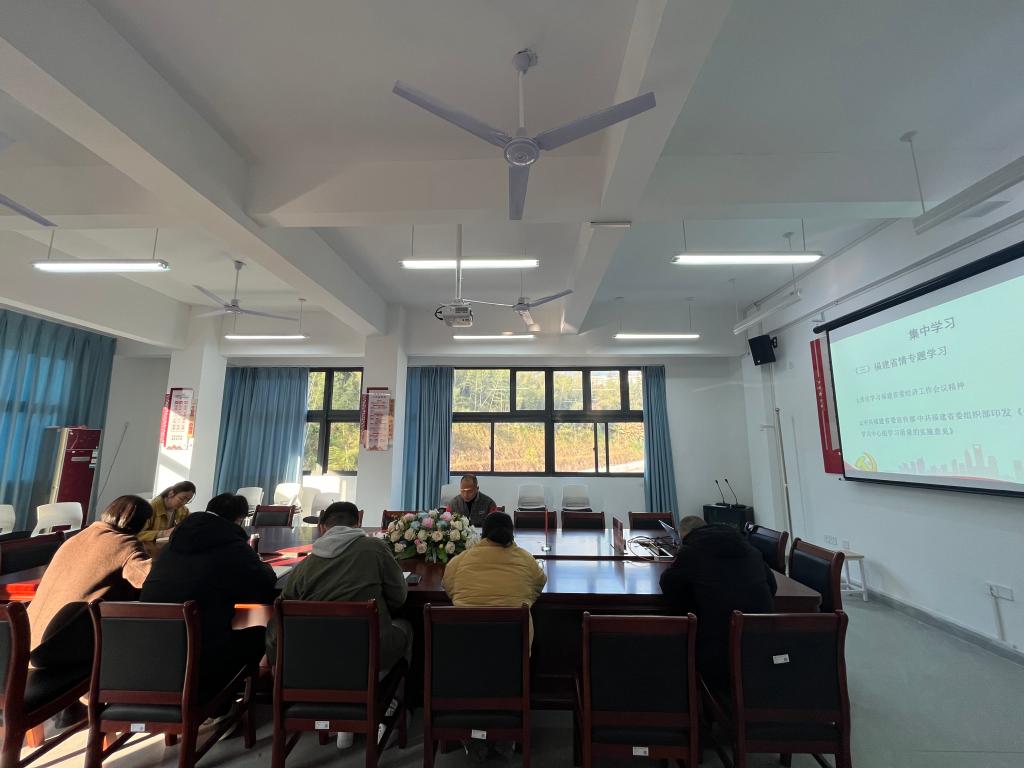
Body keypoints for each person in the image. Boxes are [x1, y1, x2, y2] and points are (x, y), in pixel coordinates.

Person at [141, 493, 276, 702]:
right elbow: (264, 581)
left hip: (150, 649)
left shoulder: (173, 543)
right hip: (204, 653)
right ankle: (232, 695)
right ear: (239, 519)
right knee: (264, 616)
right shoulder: (232, 544)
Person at [267, 501, 411, 673]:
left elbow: (280, 615)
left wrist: (276, 663)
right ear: (358, 524)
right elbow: (398, 598)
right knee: (406, 627)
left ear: (322, 528)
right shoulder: (375, 548)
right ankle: (391, 689)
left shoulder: (304, 567)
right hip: (367, 656)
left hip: (313, 660)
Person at [28, 495, 154, 671]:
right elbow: (152, 580)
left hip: (25, 641)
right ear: (141, 523)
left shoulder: (77, 537)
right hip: (57, 648)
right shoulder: (125, 544)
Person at [659, 516, 777, 688]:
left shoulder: (691, 551)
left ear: (685, 536)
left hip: (719, 657)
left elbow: (668, 583)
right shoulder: (750, 548)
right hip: (765, 648)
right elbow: (772, 586)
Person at [442, 511, 546, 647]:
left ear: (483, 534)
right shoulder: (527, 560)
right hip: (514, 650)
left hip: (465, 647)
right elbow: (539, 584)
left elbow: (448, 587)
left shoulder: (459, 561)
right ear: (512, 534)